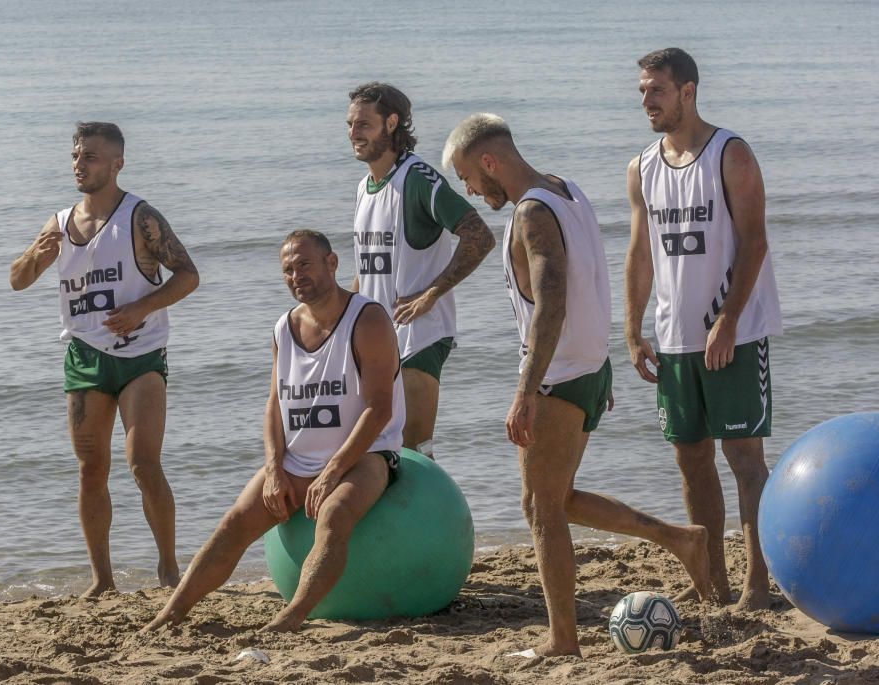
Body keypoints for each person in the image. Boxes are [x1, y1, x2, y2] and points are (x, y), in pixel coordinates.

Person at [443, 114, 713, 657]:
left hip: (559, 379)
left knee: (541, 510)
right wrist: (602, 359)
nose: (470, 190)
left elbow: (553, 303)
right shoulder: (567, 190)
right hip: (588, 370)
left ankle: (563, 640)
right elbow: (596, 279)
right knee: (555, 498)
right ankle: (680, 538)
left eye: (468, 178)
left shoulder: (531, 215)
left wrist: (526, 390)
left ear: (489, 162)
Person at [144, 230, 405, 633]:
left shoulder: (366, 318)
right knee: (233, 523)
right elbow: (274, 404)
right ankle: (171, 613)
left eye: (305, 264)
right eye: (287, 269)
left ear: (332, 263)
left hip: (363, 458)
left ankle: (292, 615)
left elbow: (379, 408)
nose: (296, 275)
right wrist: (273, 468)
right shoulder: (284, 327)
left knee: (333, 515)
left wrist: (334, 471)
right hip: (296, 461)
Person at [9, 122, 200, 596]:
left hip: (141, 357)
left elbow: (188, 275)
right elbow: (17, 279)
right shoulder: (60, 223)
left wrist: (142, 307)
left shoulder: (140, 217)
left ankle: (169, 569)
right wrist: (37, 255)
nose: (80, 163)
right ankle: (102, 580)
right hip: (84, 356)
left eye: (91, 156)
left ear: (117, 163)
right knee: (91, 469)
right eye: (76, 155)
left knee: (142, 464)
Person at [625, 48, 783, 610]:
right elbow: (641, 251)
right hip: (673, 341)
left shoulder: (730, 154)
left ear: (687, 91)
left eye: (656, 90)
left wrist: (729, 319)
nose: (646, 101)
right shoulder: (642, 165)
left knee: (744, 462)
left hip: (733, 335)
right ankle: (713, 583)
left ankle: (757, 584)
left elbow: (756, 241)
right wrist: (633, 327)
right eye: (643, 90)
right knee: (691, 460)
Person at [347, 82, 495, 458]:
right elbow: (367, 268)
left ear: (391, 123)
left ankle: (448, 519)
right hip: (377, 339)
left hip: (419, 337)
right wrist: (343, 322)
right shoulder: (365, 188)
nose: (353, 133)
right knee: (379, 450)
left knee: (415, 452)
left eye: (364, 124)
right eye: (350, 125)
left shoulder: (417, 179)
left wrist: (432, 294)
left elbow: (479, 235)